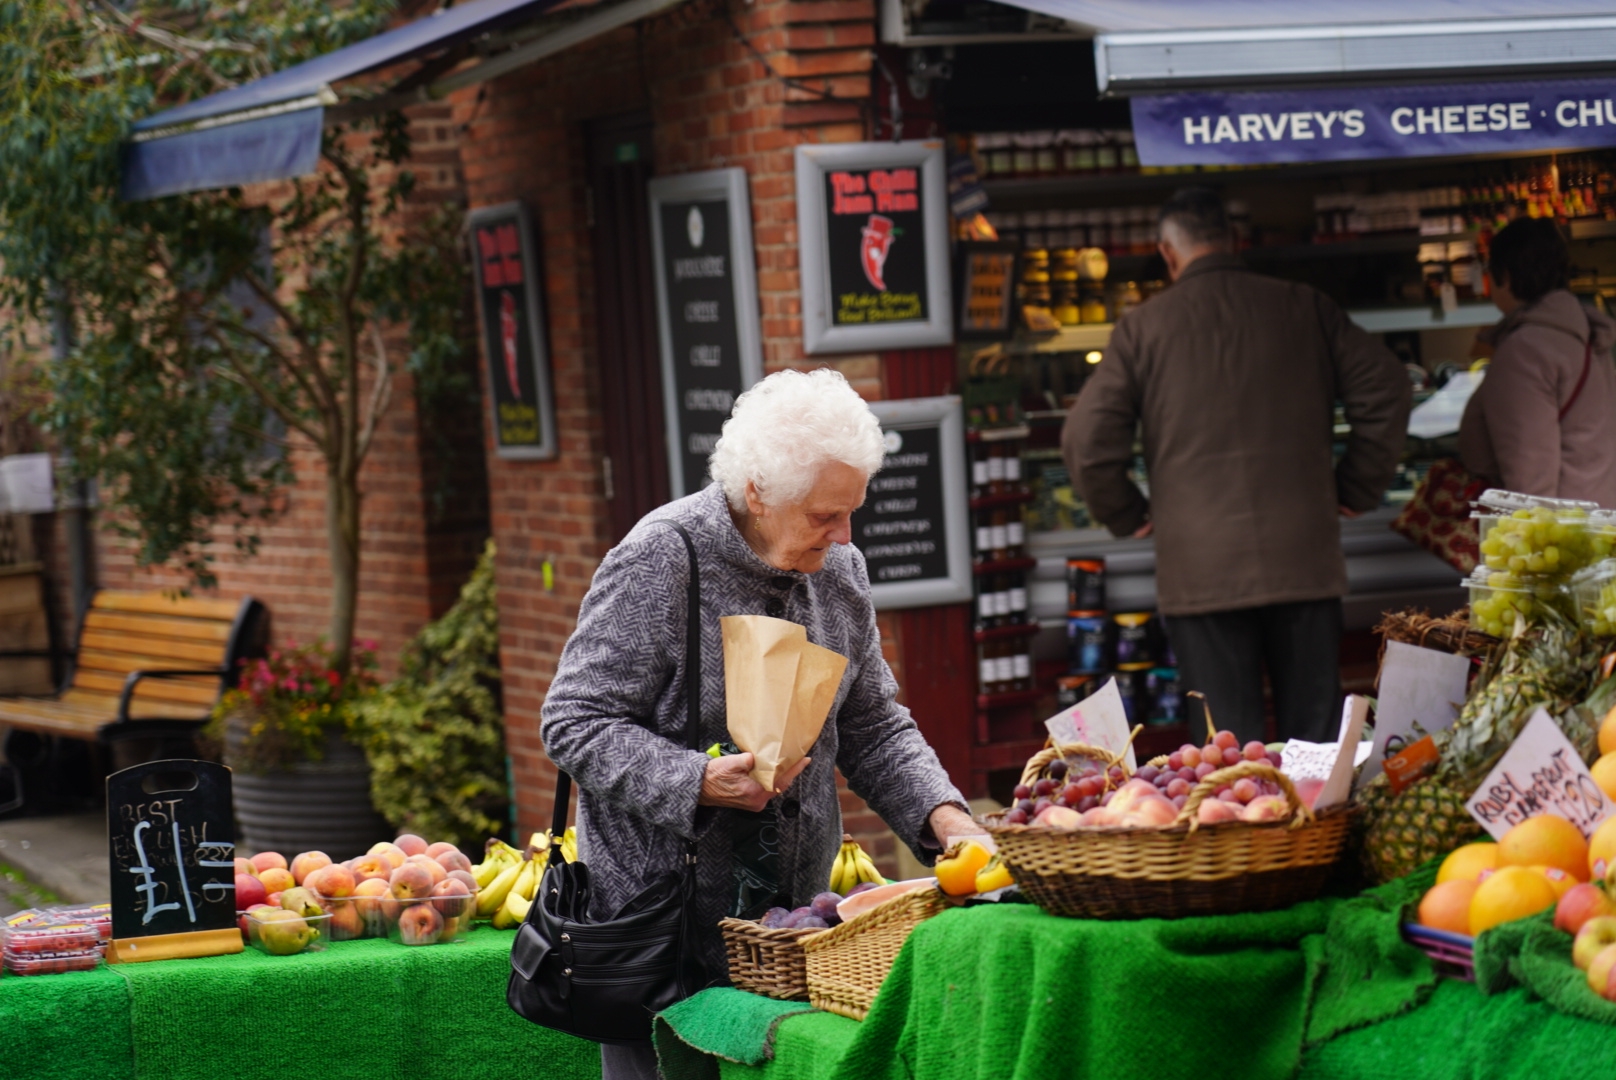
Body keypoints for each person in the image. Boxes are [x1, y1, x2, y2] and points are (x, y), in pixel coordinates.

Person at [542, 368, 975, 1080]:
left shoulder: (842, 571)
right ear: (757, 493)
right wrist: (696, 780)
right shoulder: (662, 557)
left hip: (790, 931)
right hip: (661, 935)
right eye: (823, 516)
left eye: (851, 512)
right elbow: (573, 720)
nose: (844, 535)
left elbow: (873, 724)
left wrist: (948, 820)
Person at [1061, 188, 1411, 744]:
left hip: (1201, 569)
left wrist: (1130, 513)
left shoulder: (1144, 328)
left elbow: (1085, 440)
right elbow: (1388, 388)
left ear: (1167, 253)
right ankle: (1321, 833)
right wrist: (1355, 485)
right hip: (1303, 555)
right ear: (1235, 242)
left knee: (1225, 750)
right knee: (1316, 746)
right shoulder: (1304, 305)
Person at [1459, 217, 1616, 506]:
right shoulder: (1587, 334)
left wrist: (1531, 541)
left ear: (1503, 275)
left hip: (1561, 535)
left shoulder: (1525, 350)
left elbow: (1529, 474)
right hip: (1596, 521)